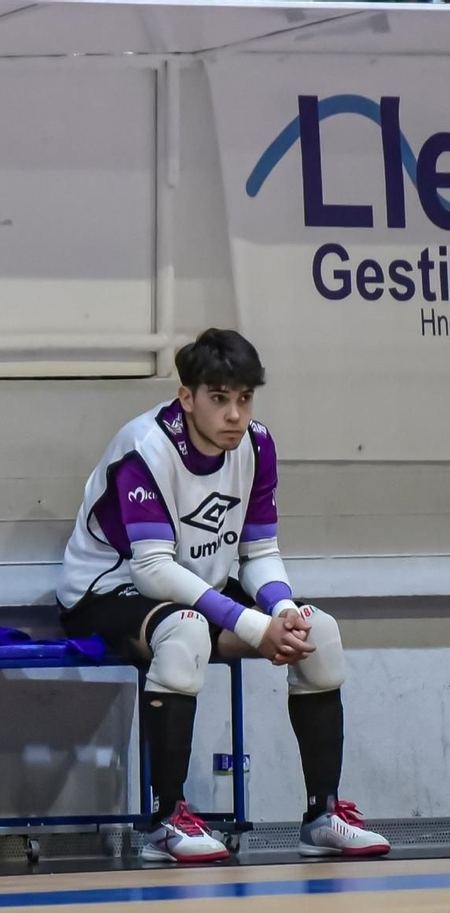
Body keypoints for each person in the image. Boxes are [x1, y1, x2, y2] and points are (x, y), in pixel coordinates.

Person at [57, 328, 391, 863]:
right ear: (187, 397)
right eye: (219, 398)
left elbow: (260, 552)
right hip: (107, 591)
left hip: (198, 586)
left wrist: (281, 611)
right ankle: (166, 822)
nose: (234, 414)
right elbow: (153, 572)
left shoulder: (258, 444)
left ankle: (320, 814)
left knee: (317, 631)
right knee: (185, 633)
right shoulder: (146, 447)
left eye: (244, 398)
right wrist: (256, 629)